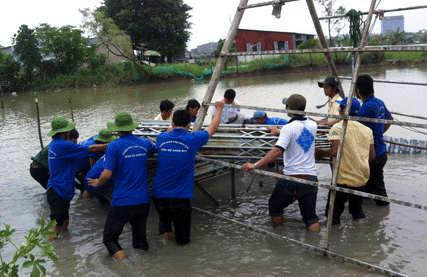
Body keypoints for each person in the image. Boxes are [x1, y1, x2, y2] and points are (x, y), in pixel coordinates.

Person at [241, 94, 320, 231]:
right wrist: (281, 132)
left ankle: (279, 238)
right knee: (310, 217)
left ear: (289, 109)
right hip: (311, 178)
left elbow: (277, 152)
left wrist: (254, 165)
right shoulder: (313, 125)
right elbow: (301, 139)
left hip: (292, 178)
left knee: (275, 207)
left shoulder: (289, 128)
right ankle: (317, 244)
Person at [152, 101, 224, 245]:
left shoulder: (161, 138)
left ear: (172, 124)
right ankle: (182, 258)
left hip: (159, 194)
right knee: (183, 237)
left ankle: (165, 252)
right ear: (189, 125)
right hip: (180, 196)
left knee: (165, 224)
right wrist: (219, 109)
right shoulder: (193, 139)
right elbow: (213, 128)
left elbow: (167, 132)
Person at [88, 111, 155, 260]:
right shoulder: (144, 143)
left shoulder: (114, 146)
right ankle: (147, 266)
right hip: (142, 202)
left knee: (109, 240)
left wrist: (97, 183)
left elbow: (106, 174)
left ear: (117, 129)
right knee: (140, 242)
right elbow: (153, 149)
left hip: (122, 202)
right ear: (132, 127)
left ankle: (126, 269)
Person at [315, 97, 375, 225]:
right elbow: (372, 157)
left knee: (332, 215)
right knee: (357, 212)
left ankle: (335, 240)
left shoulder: (338, 128)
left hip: (343, 178)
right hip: (361, 177)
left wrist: (321, 151)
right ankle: (362, 235)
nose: (338, 110)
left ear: (343, 111)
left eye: (340, 108)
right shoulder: (367, 130)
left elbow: (334, 152)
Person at [46, 117, 108, 240]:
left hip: (61, 190)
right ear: (65, 132)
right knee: (56, 227)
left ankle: (65, 251)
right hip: (58, 190)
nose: (69, 132)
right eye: (68, 130)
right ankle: (49, 251)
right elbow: (92, 149)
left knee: (64, 223)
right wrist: (113, 144)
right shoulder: (62, 145)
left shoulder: (56, 144)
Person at [355, 74, 393, 206]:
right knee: (370, 185)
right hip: (381, 150)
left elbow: (356, 130)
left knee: (379, 193)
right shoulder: (379, 102)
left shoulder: (365, 108)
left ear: (358, 91)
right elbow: (390, 119)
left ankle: (381, 216)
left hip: (373, 154)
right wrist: (379, 132)